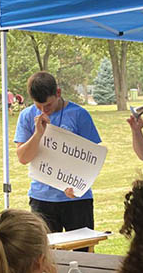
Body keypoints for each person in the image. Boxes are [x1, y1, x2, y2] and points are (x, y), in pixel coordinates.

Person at [14, 72, 102, 234]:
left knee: (82, 252)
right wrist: (38, 133)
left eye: (47, 105)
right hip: (42, 198)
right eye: (38, 106)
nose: (43, 110)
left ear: (58, 93)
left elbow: (92, 159)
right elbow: (23, 158)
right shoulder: (26, 116)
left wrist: (78, 185)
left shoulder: (79, 114)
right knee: (45, 253)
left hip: (76, 199)